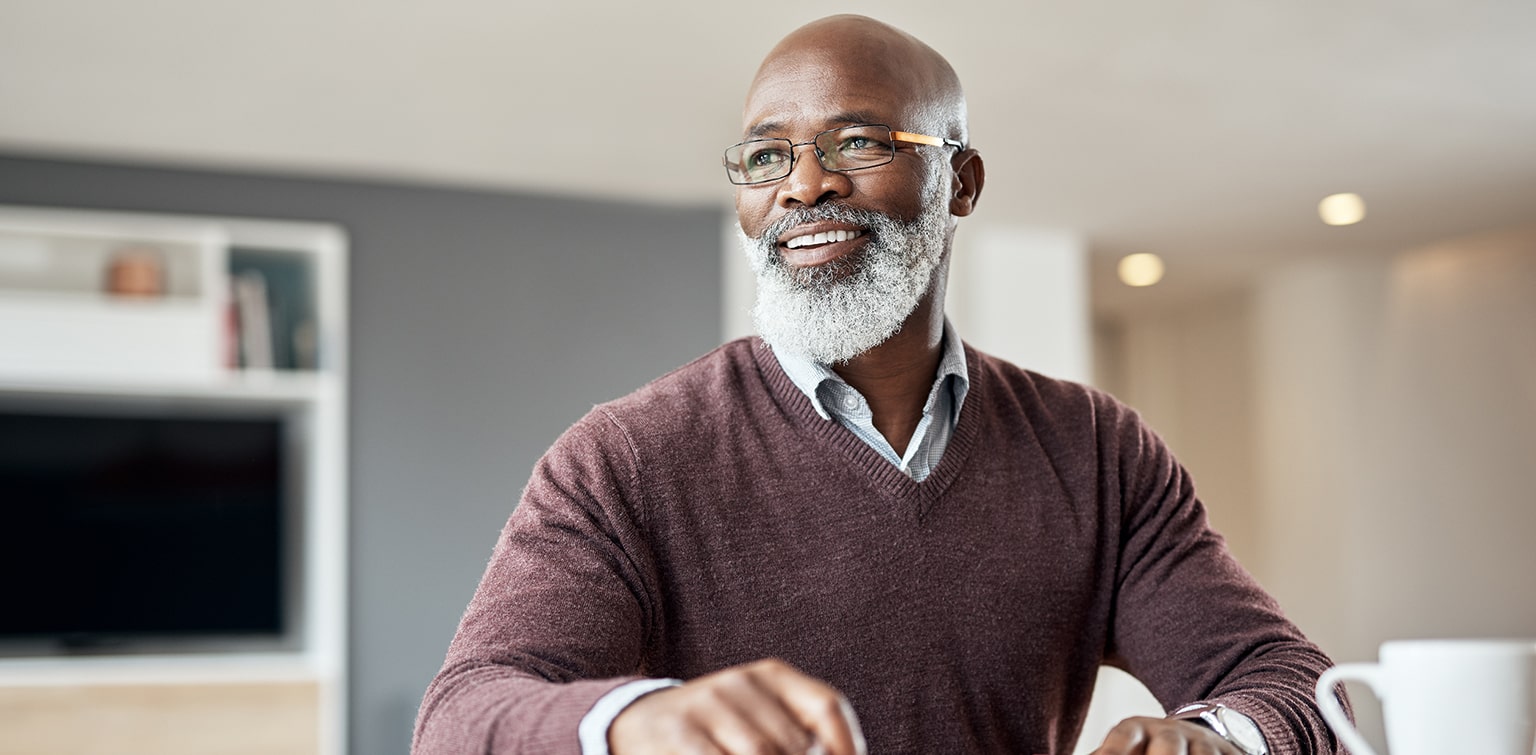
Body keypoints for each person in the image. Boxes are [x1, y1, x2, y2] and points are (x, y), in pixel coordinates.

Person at [414, 14, 1346, 755]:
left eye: (856, 142)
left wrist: (1217, 739)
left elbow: (1292, 680)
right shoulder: (624, 457)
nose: (803, 186)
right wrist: (632, 721)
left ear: (961, 181)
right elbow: (460, 717)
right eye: (767, 156)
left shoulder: (1097, 452)